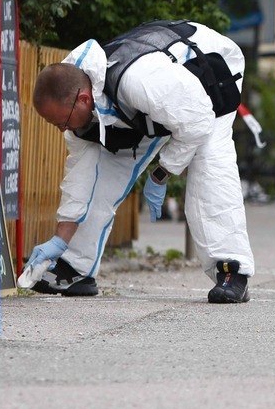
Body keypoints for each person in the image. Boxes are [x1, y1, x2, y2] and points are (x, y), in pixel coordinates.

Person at [25, 20, 255, 303]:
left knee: (209, 166)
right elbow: (81, 180)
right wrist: (59, 241)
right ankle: (74, 267)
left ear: (84, 99)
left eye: (61, 122)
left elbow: (197, 121)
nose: (61, 129)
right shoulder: (79, 110)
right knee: (101, 176)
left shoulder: (140, 82)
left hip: (208, 78)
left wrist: (162, 173)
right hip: (155, 108)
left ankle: (232, 270)